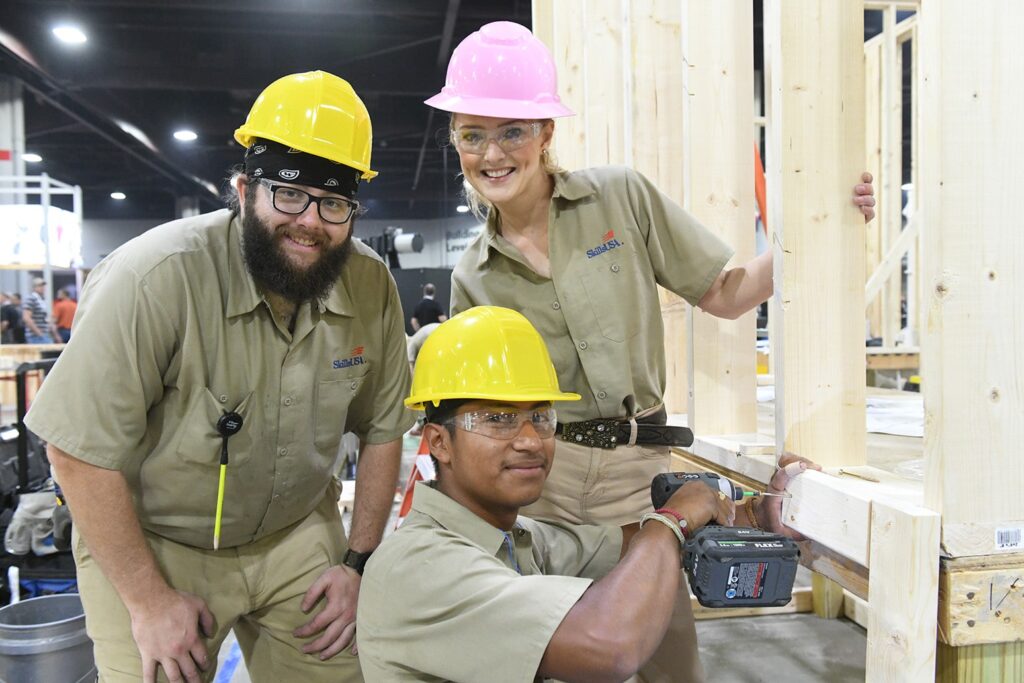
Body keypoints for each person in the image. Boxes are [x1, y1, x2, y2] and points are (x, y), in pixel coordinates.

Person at [425, 21, 867, 682]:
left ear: (546, 132)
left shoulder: (619, 198)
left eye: (512, 129)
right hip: (538, 478)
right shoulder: (472, 276)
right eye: (473, 134)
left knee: (666, 655)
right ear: (456, 138)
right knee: (557, 652)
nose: (492, 153)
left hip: (639, 470)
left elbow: (726, 292)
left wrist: (823, 225)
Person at [25, 71, 414, 683]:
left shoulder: (369, 287)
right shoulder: (155, 277)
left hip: (298, 536)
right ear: (243, 190)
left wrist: (358, 563)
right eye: (288, 193)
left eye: (334, 201)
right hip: (156, 542)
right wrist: (149, 601)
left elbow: (385, 429)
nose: (310, 221)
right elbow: (75, 451)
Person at [358, 306, 809, 681]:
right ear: (439, 442)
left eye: (541, 417)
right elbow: (610, 646)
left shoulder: (515, 538)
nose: (531, 440)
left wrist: (754, 516)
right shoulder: (419, 565)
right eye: (497, 419)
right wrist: (671, 521)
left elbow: (621, 543)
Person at [22, 277, 53, 344]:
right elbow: (26, 317)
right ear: (34, 287)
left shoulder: (41, 300)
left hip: (44, 334)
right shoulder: (31, 298)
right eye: (39, 286)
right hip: (36, 336)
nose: (42, 288)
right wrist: (39, 333)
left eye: (43, 286)